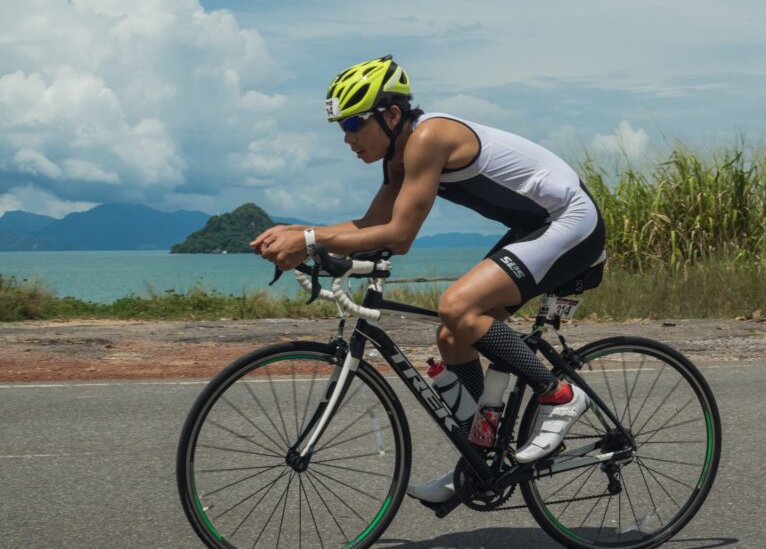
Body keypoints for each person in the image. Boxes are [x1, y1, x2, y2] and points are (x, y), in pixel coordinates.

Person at [250, 55, 606, 503]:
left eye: (355, 123)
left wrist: (307, 238)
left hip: (570, 220)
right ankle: (482, 457)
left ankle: (558, 394)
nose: (347, 137)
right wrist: (302, 234)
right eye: (341, 127)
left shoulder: (428, 138)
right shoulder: (397, 159)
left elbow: (399, 237)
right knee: (452, 336)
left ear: (392, 115)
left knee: (456, 306)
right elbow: (369, 226)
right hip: (534, 227)